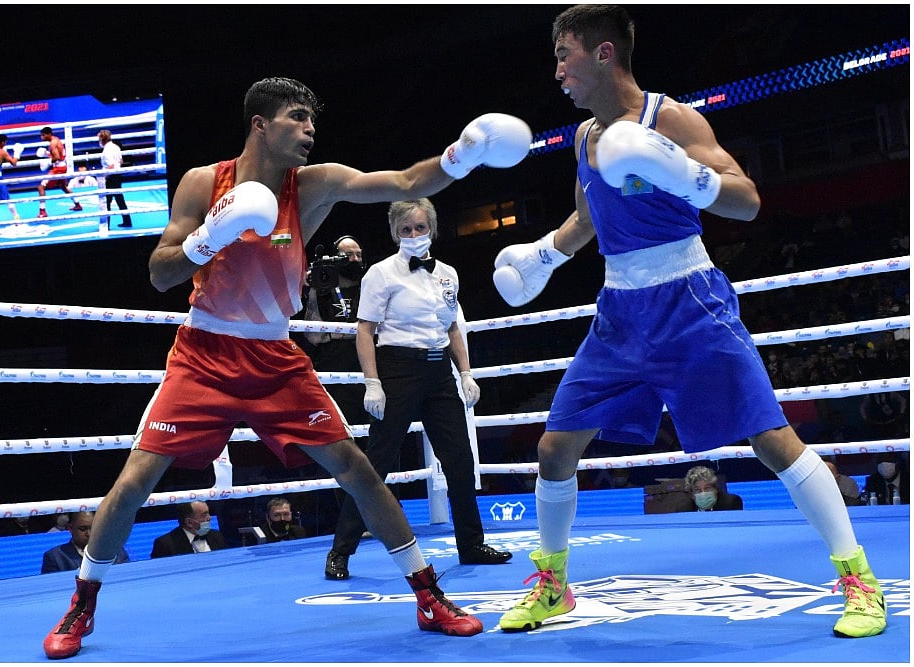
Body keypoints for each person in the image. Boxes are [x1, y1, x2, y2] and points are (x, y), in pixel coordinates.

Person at [42, 76, 532, 659]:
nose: (310, 129)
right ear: (260, 124)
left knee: (355, 466)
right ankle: (82, 605)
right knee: (135, 480)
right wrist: (208, 238)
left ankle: (428, 595)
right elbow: (160, 272)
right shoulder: (205, 182)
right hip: (205, 354)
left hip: (275, 356)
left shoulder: (314, 186)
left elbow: (402, 183)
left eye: (312, 121)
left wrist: (462, 155)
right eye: (298, 118)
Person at [490, 6, 885, 638]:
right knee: (554, 447)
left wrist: (684, 173)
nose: (557, 70)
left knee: (771, 439)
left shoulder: (667, 118)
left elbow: (746, 197)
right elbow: (589, 218)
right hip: (619, 311)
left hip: (689, 300)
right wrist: (542, 257)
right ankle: (553, 584)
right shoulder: (586, 138)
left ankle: (858, 580)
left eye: (565, 53)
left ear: (603, 54)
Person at [324, 198, 513, 581]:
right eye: (406, 229)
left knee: (460, 460)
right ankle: (340, 551)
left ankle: (471, 544)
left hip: (439, 371)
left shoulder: (447, 274)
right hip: (396, 370)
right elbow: (365, 330)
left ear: (432, 229)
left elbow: (452, 327)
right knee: (375, 465)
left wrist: (466, 373)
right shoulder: (380, 273)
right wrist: (372, 382)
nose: (413, 235)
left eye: (420, 228)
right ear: (395, 233)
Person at [304, 234, 367, 426]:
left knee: (369, 431)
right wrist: (313, 289)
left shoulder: (369, 285)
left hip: (364, 366)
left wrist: (334, 334)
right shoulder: (322, 287)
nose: (355, 259)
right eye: (349, 255)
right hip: (331, 367)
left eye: (358, 255)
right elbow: (314, 336)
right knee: (338, 428)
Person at [42, 512, 130, 574]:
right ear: (70, 528)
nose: (89, 534)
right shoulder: (54, 557)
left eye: (93, 528)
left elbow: (128, 577)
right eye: (83, 529)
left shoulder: (116, 550)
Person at [150, 501, 228, 557]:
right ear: (189, 522)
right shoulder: (165, 544)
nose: (209, 518)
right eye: (204, 515)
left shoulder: (217, 536)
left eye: (208, 513)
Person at [37, 126, 82, 218]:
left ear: (49, 134)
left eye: (43, 135)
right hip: (62, 167)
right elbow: (58, 155)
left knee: (41, 187)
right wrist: (47, 153)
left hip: (58, 169)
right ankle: (77, 205)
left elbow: (57, 157)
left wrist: (48, 162)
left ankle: (42, 212)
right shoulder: (56, 140)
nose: (41, 137)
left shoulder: (53, 143)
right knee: (63, 187)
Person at [97, 129, 133, 228]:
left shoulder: (107, 150)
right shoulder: (115, 146)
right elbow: (121, 161)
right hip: (117, 174)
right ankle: (127, 221)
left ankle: (106, 225)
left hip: (111, 175)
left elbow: (111, 166)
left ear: (102, 139)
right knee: (119, 199)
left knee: (107, 200)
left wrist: (103, 177)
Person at [243, 497, 307, 546]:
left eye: (286, 514)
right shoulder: (258, 537)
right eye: (277, 515)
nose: (282, 519)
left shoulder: (299, 532)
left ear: (291, 515)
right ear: (268, 517)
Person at [676, 466, 743, 512]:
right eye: (698, 490)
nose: (703, 493)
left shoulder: (731, 502)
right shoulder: (683, 508)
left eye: (707, 488)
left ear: (715, 489)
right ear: (692, 495)